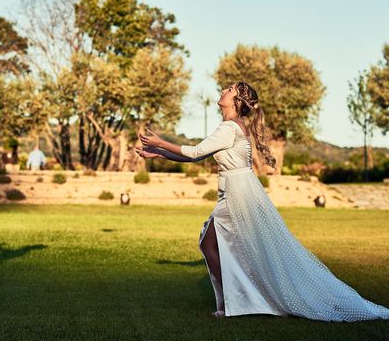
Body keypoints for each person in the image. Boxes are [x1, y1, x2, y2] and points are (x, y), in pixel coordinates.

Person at [136, 82, 389, 321]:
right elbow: (193, 158)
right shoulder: (233, 126)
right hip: (236, 190)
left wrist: (159, 141)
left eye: (230, 89)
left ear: (235, 101)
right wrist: (159, 153)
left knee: (211, 243)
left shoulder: (229, 128)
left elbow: (193, 151)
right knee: (219, 245)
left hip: (238, 193)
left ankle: (231, 305)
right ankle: (231, 304)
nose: (223, 90)